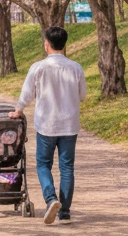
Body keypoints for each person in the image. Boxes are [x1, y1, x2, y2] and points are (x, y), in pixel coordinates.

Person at [10, 25, 87, 225]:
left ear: (47, 45)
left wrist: (18, 110)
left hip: (47, 124)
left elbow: (27, 94)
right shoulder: (76, 67)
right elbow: (82, 96)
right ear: (64, 44)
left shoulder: (38, 68)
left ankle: (51, 199)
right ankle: (66, 212)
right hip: (69, 124)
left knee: (44, 164)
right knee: (67, 167)